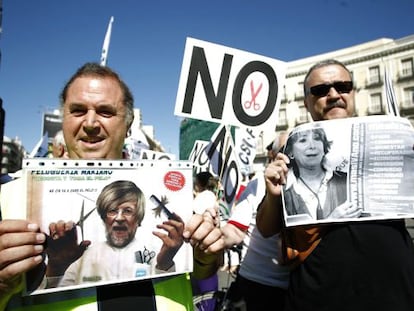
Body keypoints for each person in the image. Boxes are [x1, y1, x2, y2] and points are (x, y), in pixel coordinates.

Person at [0, 62, 216, 311]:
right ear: (64, 120)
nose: (90, 123)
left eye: (105, 112)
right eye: (78, 111)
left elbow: (200, 274)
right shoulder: (9, 199)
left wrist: (206, 257)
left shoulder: (173, 198)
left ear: (128, 124)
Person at [256, 59, 414, 311]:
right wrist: (273, 193)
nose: (333, 94)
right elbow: (265, 228)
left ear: (352, 93)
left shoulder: (392, 139)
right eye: (320, 90)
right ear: (306, 101)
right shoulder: (289, 152)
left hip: (394, 289)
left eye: (343, 86)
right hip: (319, 293)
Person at [43, 180, 183, 288]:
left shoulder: (154, 257)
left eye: (128, 211)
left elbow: (164, 297)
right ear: (103, 217)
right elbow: (53, 301)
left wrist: (165, 264)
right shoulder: (81, 258)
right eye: (112, 210)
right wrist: (56, 269)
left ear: (139, 219)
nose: (120, 218)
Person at [283, 126, 358, 220]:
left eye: (317, 138)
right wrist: (332, 220)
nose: (312, 146)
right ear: (290, 152)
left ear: (324, 147)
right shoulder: (284, 192)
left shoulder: (348, 181)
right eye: (303, 140)